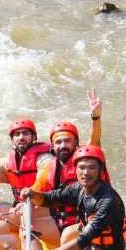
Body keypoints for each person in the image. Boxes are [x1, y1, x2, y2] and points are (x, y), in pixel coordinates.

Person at [0, 119, 59, 244]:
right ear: (12, 139)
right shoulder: (7, 163)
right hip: (20, 213)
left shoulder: (45, 159)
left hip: (47, 216)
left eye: (26, 133)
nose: (21, 137)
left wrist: (30, 198)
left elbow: (44, 180)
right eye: (17, 134)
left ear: (34, 137)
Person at [30, 89, 105, 238]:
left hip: (94, 222)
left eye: (68, 141)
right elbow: (36, 194)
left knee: (67, 235)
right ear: (52, 146)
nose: (63, 145)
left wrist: (95, 117)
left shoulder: (86, 161)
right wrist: (26, 201)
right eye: (58, 142)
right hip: (65, 222)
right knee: (26, 225)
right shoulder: (50, 169)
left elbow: (95, 142)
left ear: (76, 143)